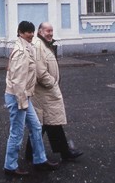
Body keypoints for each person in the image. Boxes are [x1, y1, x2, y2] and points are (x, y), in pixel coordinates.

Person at [3, 21, 59, 177]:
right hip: (17, 97)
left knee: (36, 127)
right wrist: (22, 102)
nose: (32, 34)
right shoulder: (21, 52)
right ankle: (10, 166)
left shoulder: (27, 47)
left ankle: (40, 160)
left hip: (23, 96)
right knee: (17, 132)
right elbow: (17, 81)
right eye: (28, 32)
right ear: (20, 32)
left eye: (32, 31)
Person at [25, 22, 83, 162]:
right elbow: (40, 72)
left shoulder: (44, 44)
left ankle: (62, 152)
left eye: (51, 31)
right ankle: (35, 153)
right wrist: (52, 84)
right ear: (40, 31)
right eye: (47, 31)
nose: (50, 33)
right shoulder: (39, 46)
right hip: (44, 92)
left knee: (50, 122)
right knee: (44, 123)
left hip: (46, 93)